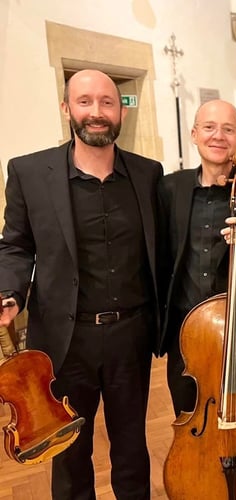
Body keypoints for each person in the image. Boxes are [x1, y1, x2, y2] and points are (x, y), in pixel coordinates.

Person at [0, 69, 162, 499]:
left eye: (107, 102)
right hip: (64, 342)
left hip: (132, 334)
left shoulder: (148, 174)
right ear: (67, 108)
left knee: (132, 447)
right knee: (70, 453)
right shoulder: (29, 172)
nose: (97, 112)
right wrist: (10, 291)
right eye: (85, 101)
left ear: (121, 111)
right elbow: (15, 245)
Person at [157, 99, 236, 416]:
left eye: (229, 129)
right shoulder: (169, 188)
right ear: (194, 134)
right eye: (209, 127)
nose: (219, 136)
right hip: (186, 335)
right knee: (188, 418)